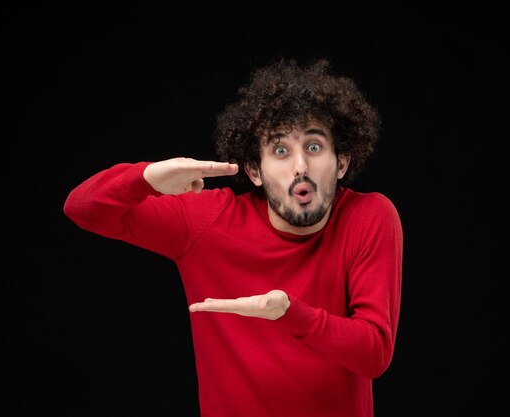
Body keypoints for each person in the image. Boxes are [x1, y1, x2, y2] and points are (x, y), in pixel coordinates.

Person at [63, 57, 403, 417]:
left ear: (342, 162)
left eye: (314, 147)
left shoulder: (369, 217)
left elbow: (374, 353)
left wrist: (290, 313)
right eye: (281, 151)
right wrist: (144, 177)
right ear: (255, 170)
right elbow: (82, 208)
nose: (300, 166)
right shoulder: (207, 221)